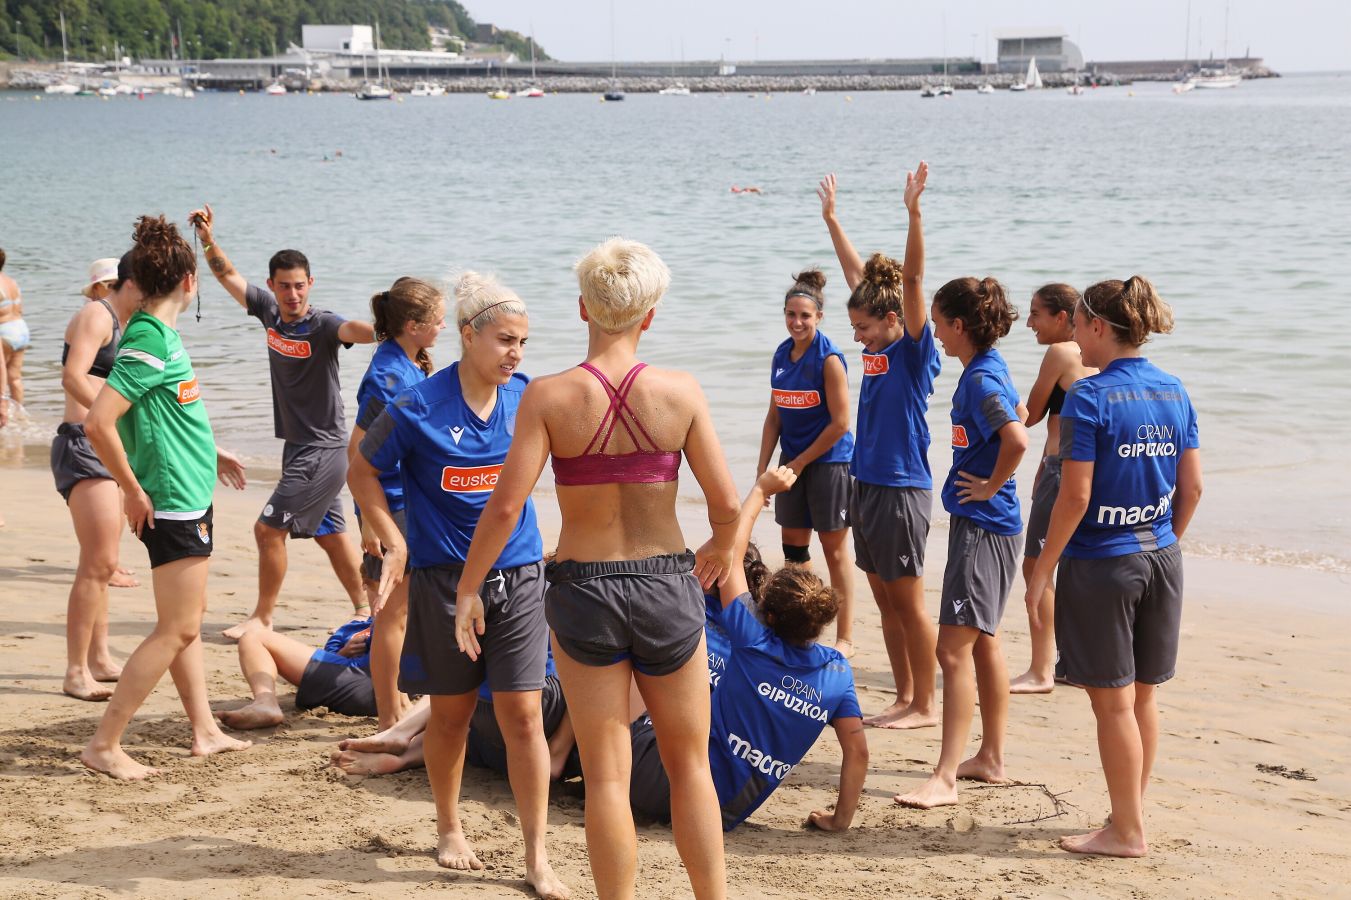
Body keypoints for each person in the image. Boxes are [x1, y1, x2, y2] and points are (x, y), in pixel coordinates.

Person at [454, 238, 738, 900]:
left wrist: (470, 586)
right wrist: (721, 548)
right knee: (688, 763)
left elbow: (503, 510)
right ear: (650, 316)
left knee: (606, 776)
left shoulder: (548, 397)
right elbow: (725, 503)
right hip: (666, 581)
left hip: (583, 588)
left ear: (583, 308)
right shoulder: (680, 393)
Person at [349, 272, 568, 899]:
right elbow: (361, 469)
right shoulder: (418, 406)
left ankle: (536, 853)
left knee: (524, 714)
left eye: (524, 341)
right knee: (450, 716)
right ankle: (449, 826)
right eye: (504, 340)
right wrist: (391, 536)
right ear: (468, 336)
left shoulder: (529, 397)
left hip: (521, 574)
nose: (516, 353)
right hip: (444, 580)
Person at [1024, 276, 1202, 857]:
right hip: (1162, 557)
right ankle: (1127, 814)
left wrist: (1042, 570)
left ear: (1099, 327)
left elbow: (1075, 498)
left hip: (1105, 563)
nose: (1073, 336)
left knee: (1113, 703)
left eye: (1076, 324)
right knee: (1142, 697)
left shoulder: (1088, 397)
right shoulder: (1174, 389)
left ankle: (1126, 831)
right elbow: (1193, 489)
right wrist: (1158, 541)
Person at [79, 215, 252, 780]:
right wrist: (131, 490)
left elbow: (170, 412)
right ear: (189, 280)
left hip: (188, 486)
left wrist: (213, 451)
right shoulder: (150, 336)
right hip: (171, 498)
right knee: (176, 628)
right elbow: (100, 424)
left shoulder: (158, 330)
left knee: (187, 618)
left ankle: (204, 730)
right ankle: (105, 744)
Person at [629, 467, 869, 833]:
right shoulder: (836, 673)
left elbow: (732, 553)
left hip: (663, 785)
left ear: (768, 616)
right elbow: (858, 754)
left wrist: (759, 491)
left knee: (630, 662)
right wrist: (840, 820)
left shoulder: (753, 640)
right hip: (721, 816)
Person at [189, 203, 375, 640]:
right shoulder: (270, 313)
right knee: (331, 534)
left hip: (324, 449)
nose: (293, 295)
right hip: (297, 445)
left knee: (267, 531)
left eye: (299, 287)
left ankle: (263, 618)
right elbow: (226, 277)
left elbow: (356, 331)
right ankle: (366, 608)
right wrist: (207, 239)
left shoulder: (322, 324)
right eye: (284, 287)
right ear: (273, 286)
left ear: (311, 284)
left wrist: (388, 326)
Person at [896, 276, 1029, 810]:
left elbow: (1017, 438)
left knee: (951, 650)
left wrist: (991, 485)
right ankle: (990, 757)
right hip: (995, 525)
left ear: (959, 324)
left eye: (937, 321)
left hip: (984, 526)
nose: (934, 332)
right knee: (985, 641)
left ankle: (946, 777)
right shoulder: (985, 370)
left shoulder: (980, 380)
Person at [818, 164, 940, 729]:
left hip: (901, 487)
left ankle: (926, 703)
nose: (858, 337)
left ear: (892, 321)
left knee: (908, 602)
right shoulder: (876, 335)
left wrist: (913, 214)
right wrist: (832, 220)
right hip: (865, 482)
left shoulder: (913, 351)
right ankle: (904, 695)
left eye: (864, 328)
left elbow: (912, 284)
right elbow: (856, 276)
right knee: (885, 600)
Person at [349, 277, 442, 729]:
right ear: (412, 325)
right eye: (437, 321)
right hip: (388, 508)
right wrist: (370, 521)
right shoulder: (386, 376)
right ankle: (388, 711)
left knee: (397, 612)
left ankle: (395, 701)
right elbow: (358, 451)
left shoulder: (408, 363)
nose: (443, 327)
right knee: (390, 616)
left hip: (404, 503)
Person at [53, 255, 143, 700]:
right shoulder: (96, 314)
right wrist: (111, 420)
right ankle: (75, 671)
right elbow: (72, 376)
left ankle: (99, 658)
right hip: (82, 443)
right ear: (128, 284)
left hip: (103, 444)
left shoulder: (126, 323)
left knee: (106, 561)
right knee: (97, 564)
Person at [755, 269, 856, 656]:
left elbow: (841, 424)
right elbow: (774, 417)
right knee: (794, 551)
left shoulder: (829, 359)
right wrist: (765, 469)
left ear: (819, 317)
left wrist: (798, 463)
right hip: (791, 463)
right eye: (791, 314)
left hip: (829, 463)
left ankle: (845, 636)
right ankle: (804, 623)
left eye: (805, 316)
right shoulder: (782, 354)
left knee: (833, 551)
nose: (797, 322)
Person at [1011, 284, 1096, 694]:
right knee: (1078, 566)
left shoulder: (1062, 353)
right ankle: (1076, 663)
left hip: (1061, 467)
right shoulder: (1101, 356)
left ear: (1062, 318)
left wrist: (996, 400)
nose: (1029, 323)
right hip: (1096, 470)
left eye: (1035, 314)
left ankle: (1041, 670)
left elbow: (1031, 415)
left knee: (1036, 566)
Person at [218, 615, 376, 729]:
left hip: (374, 686)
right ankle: (265, 704)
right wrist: (345, 652)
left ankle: (265, 702)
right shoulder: (350, 628)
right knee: (253, 637)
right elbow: (330, 657)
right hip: (349, 682)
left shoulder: (390, 620)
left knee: (254, 637)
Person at [0, 246, 29, 411]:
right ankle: (20, 415)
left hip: (4, 332)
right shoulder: (11, 281)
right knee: (14, 378)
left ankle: (2, 412)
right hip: (20, 329)